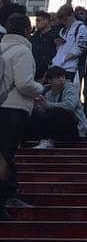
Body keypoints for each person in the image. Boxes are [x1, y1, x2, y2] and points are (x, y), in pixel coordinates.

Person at [1, 14, 44, 220]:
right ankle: (5, 200)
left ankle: (9, 193)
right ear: (28, 30)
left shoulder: (3, 48)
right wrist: (40, 88)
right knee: (5, 157)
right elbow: (25, 84)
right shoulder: (23, 51)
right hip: (13, 109)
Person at [29, 66, 87, 149]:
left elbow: (69, 106)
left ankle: (48, 140)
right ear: (49, 80)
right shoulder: (47, 92)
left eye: (63, 77)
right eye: (58, 78)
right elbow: (45, 109)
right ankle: (43, 140)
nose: (62, 80)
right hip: (58, 128)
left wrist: (47, 105)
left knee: (58, 112)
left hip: (75, 129)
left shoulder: (70, 88)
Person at [50, 3, 87, 83]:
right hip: (57, 66)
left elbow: (80, 48)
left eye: (65, 19)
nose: (64, 22)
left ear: (71, 15)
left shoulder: (81, 28)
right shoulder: (63, 30)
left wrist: (64, 59)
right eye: (62, 20)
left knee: (69, 91)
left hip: (70, 68)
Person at [30, 12, 55, 81]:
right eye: (36, 21)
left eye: (39, 21)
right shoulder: (35, 35)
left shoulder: (54, 35)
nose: (36, 23)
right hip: (33, 69)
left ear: (46, 21)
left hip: (46, 71)